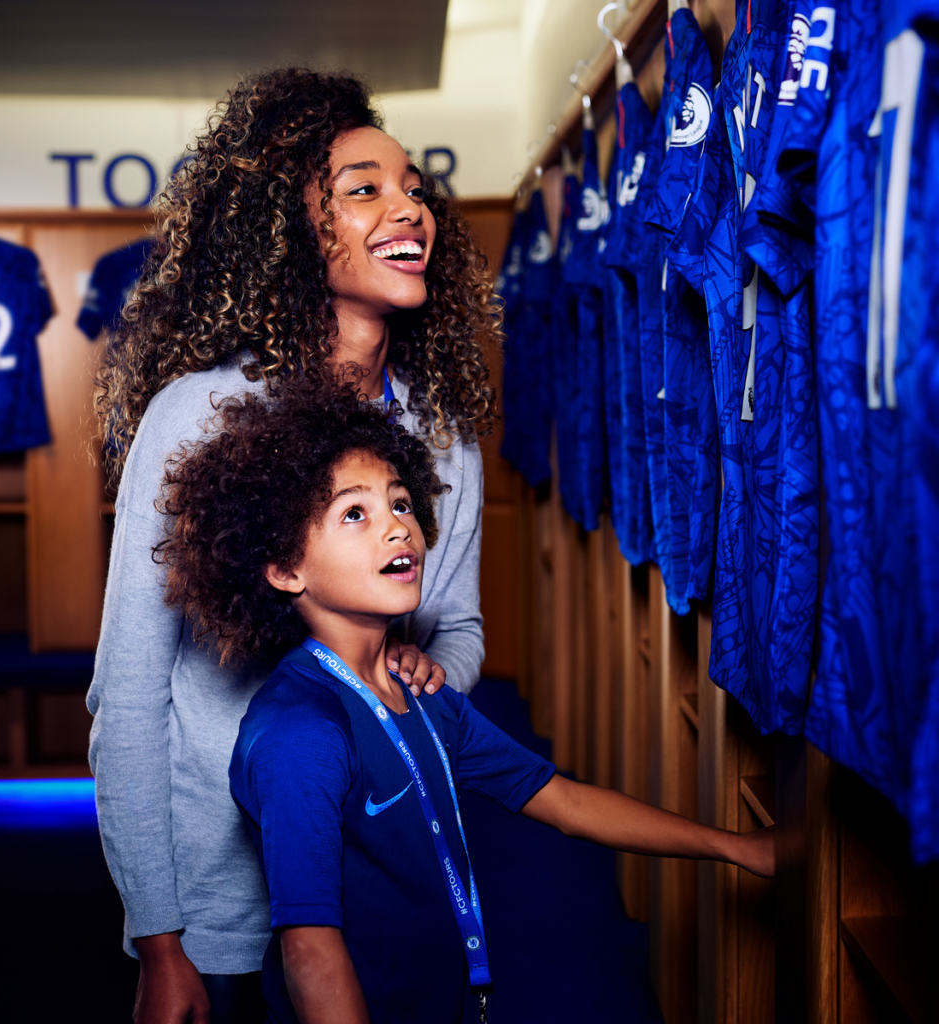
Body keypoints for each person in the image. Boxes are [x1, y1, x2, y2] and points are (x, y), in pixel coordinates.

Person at [156, 382, 776, 1024]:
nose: (399, 525)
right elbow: (310, 951)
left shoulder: (419, 692)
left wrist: (733, 846)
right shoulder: (302, 734)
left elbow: (564, 801)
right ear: (286, 570)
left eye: (401, 502)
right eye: (355, 514)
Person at [87, 67, 501, 1024]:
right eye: (364, 189)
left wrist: (428, 670)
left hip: (389, 886)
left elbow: (462, 628)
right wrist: (158, 937)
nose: (409, 208)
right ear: (288, 228)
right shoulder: (195, 418)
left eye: (413, 188)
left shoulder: (442, 429)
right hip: (224, 919)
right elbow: (131, 690)